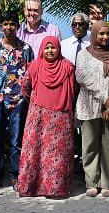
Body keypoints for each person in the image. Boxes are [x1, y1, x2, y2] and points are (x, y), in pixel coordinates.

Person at [18, 36, 78, 198]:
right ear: (42, 50)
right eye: (47, 48)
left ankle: (55, 189)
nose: (50, 51)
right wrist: (37, 101)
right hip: (38, 116)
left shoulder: (68, 67)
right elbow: (25, 87)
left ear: (59, 48)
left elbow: (74, 90)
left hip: (61, 117)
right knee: (35, 150)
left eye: (53, 48)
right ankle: (31, 187)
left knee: (58, 153)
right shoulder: (34, 66)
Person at [75, 21, 109, 197]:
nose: (105, 37)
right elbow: (82, 77)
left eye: (107, 34)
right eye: (101, 34)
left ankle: (107, 182)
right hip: (90, 106)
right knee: (89, 145)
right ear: (94, 34)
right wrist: (105, 98)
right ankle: (91, 182)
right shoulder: (84, 54)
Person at [0, 12, 33, 191]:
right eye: (5, 24)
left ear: (18, 26)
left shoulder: (26, 48)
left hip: (18, 100)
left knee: (16, 141)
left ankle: (15, 175)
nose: (9, 27)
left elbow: (31, 74)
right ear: (0, 27)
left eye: (12, 24)